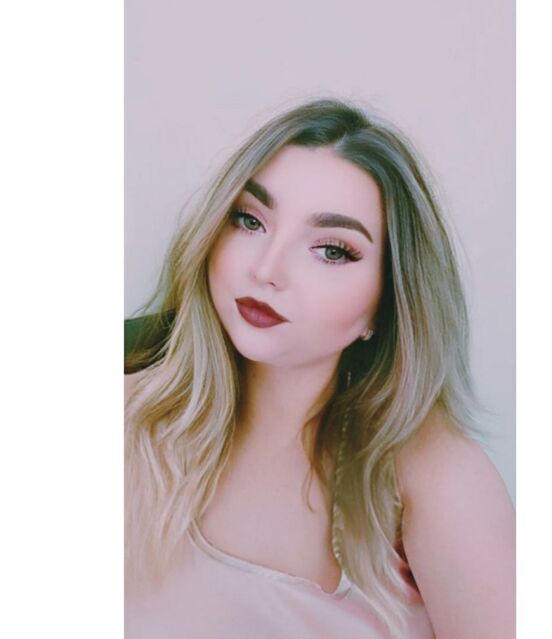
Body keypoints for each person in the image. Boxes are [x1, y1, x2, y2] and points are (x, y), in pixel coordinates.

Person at [124, 98, 515, 638]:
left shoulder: (431, 476)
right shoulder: (129, 417)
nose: (267, 269)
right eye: (250, 220)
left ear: (386, 302)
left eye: (332, 250)